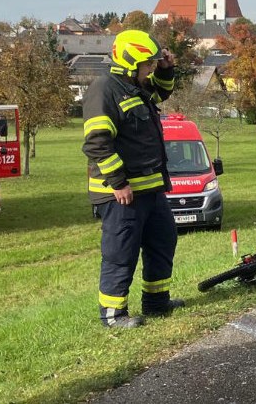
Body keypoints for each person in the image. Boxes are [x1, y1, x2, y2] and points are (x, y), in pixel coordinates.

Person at [82, 30, 185, 328]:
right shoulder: (105, 90)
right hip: (122, 194)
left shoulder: (134, 87)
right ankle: (113, 315)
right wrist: (118, 182)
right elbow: (97, 143)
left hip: (150, 190)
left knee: (163, 240)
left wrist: (167, 69)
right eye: (148, 64)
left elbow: (161, 92)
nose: (151, 69)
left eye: (153, 64)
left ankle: (156, 302)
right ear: (130, 63)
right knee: (121, 252)